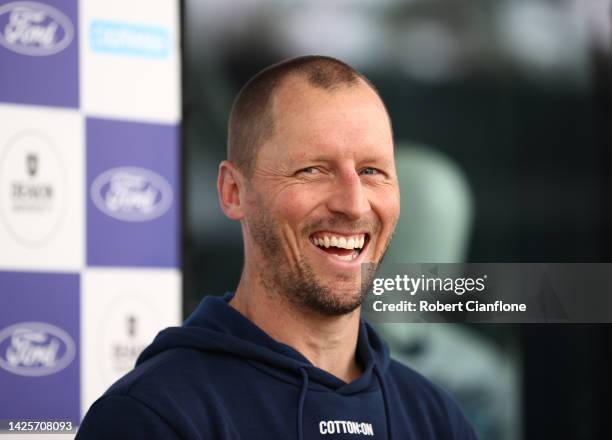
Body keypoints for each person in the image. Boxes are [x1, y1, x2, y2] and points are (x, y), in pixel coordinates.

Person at [76, 55, 477, 439]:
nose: (354, 204)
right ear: (233, 192)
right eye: (313, 170)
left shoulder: (436, 418)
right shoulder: (152, 416)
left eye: (371, 171)